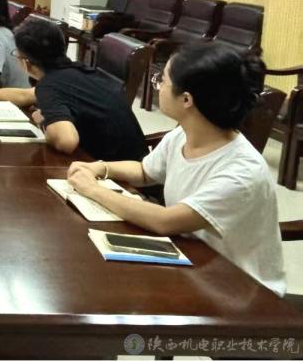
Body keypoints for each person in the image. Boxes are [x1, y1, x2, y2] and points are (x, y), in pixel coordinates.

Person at [67, 42, 285, 296]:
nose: (157, 84)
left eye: (163, 80)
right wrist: (100, 167)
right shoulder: (184, 134)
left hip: (241, 291)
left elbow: (165, 221)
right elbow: (145, 171)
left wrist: (93, 190)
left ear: (186, 99)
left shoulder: (241, 172)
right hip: (194, 261)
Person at [0, 19, 145, 160]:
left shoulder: (50, 85)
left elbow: (67, 141)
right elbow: (24, 95)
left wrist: (44, 121)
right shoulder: (77, 70)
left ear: (26, 62)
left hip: (118, 177)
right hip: (136, 165)